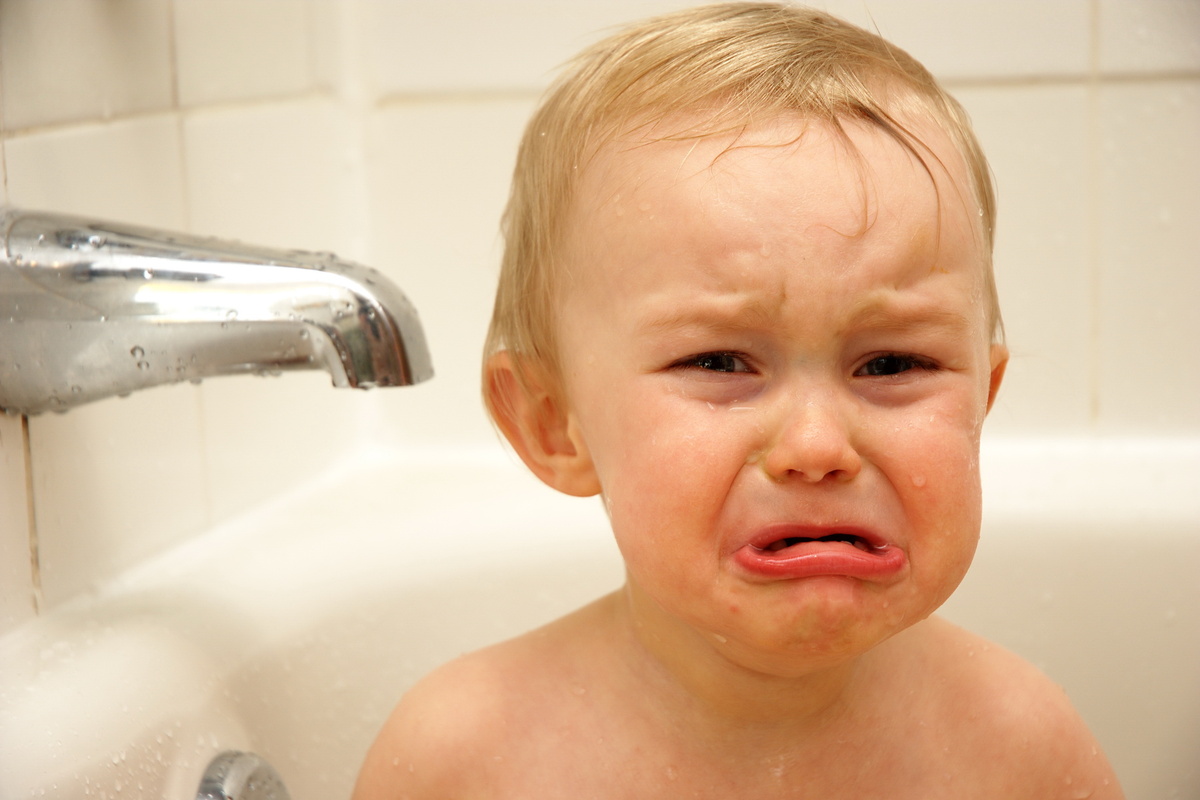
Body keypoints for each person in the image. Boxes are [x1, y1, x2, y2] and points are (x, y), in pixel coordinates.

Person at [353, 3, 1124, 797]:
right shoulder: (468, 759)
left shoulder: (1017, 747)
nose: (818, 447)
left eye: (893, 363)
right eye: (720, 362)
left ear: (980, 405)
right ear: (554, 424)